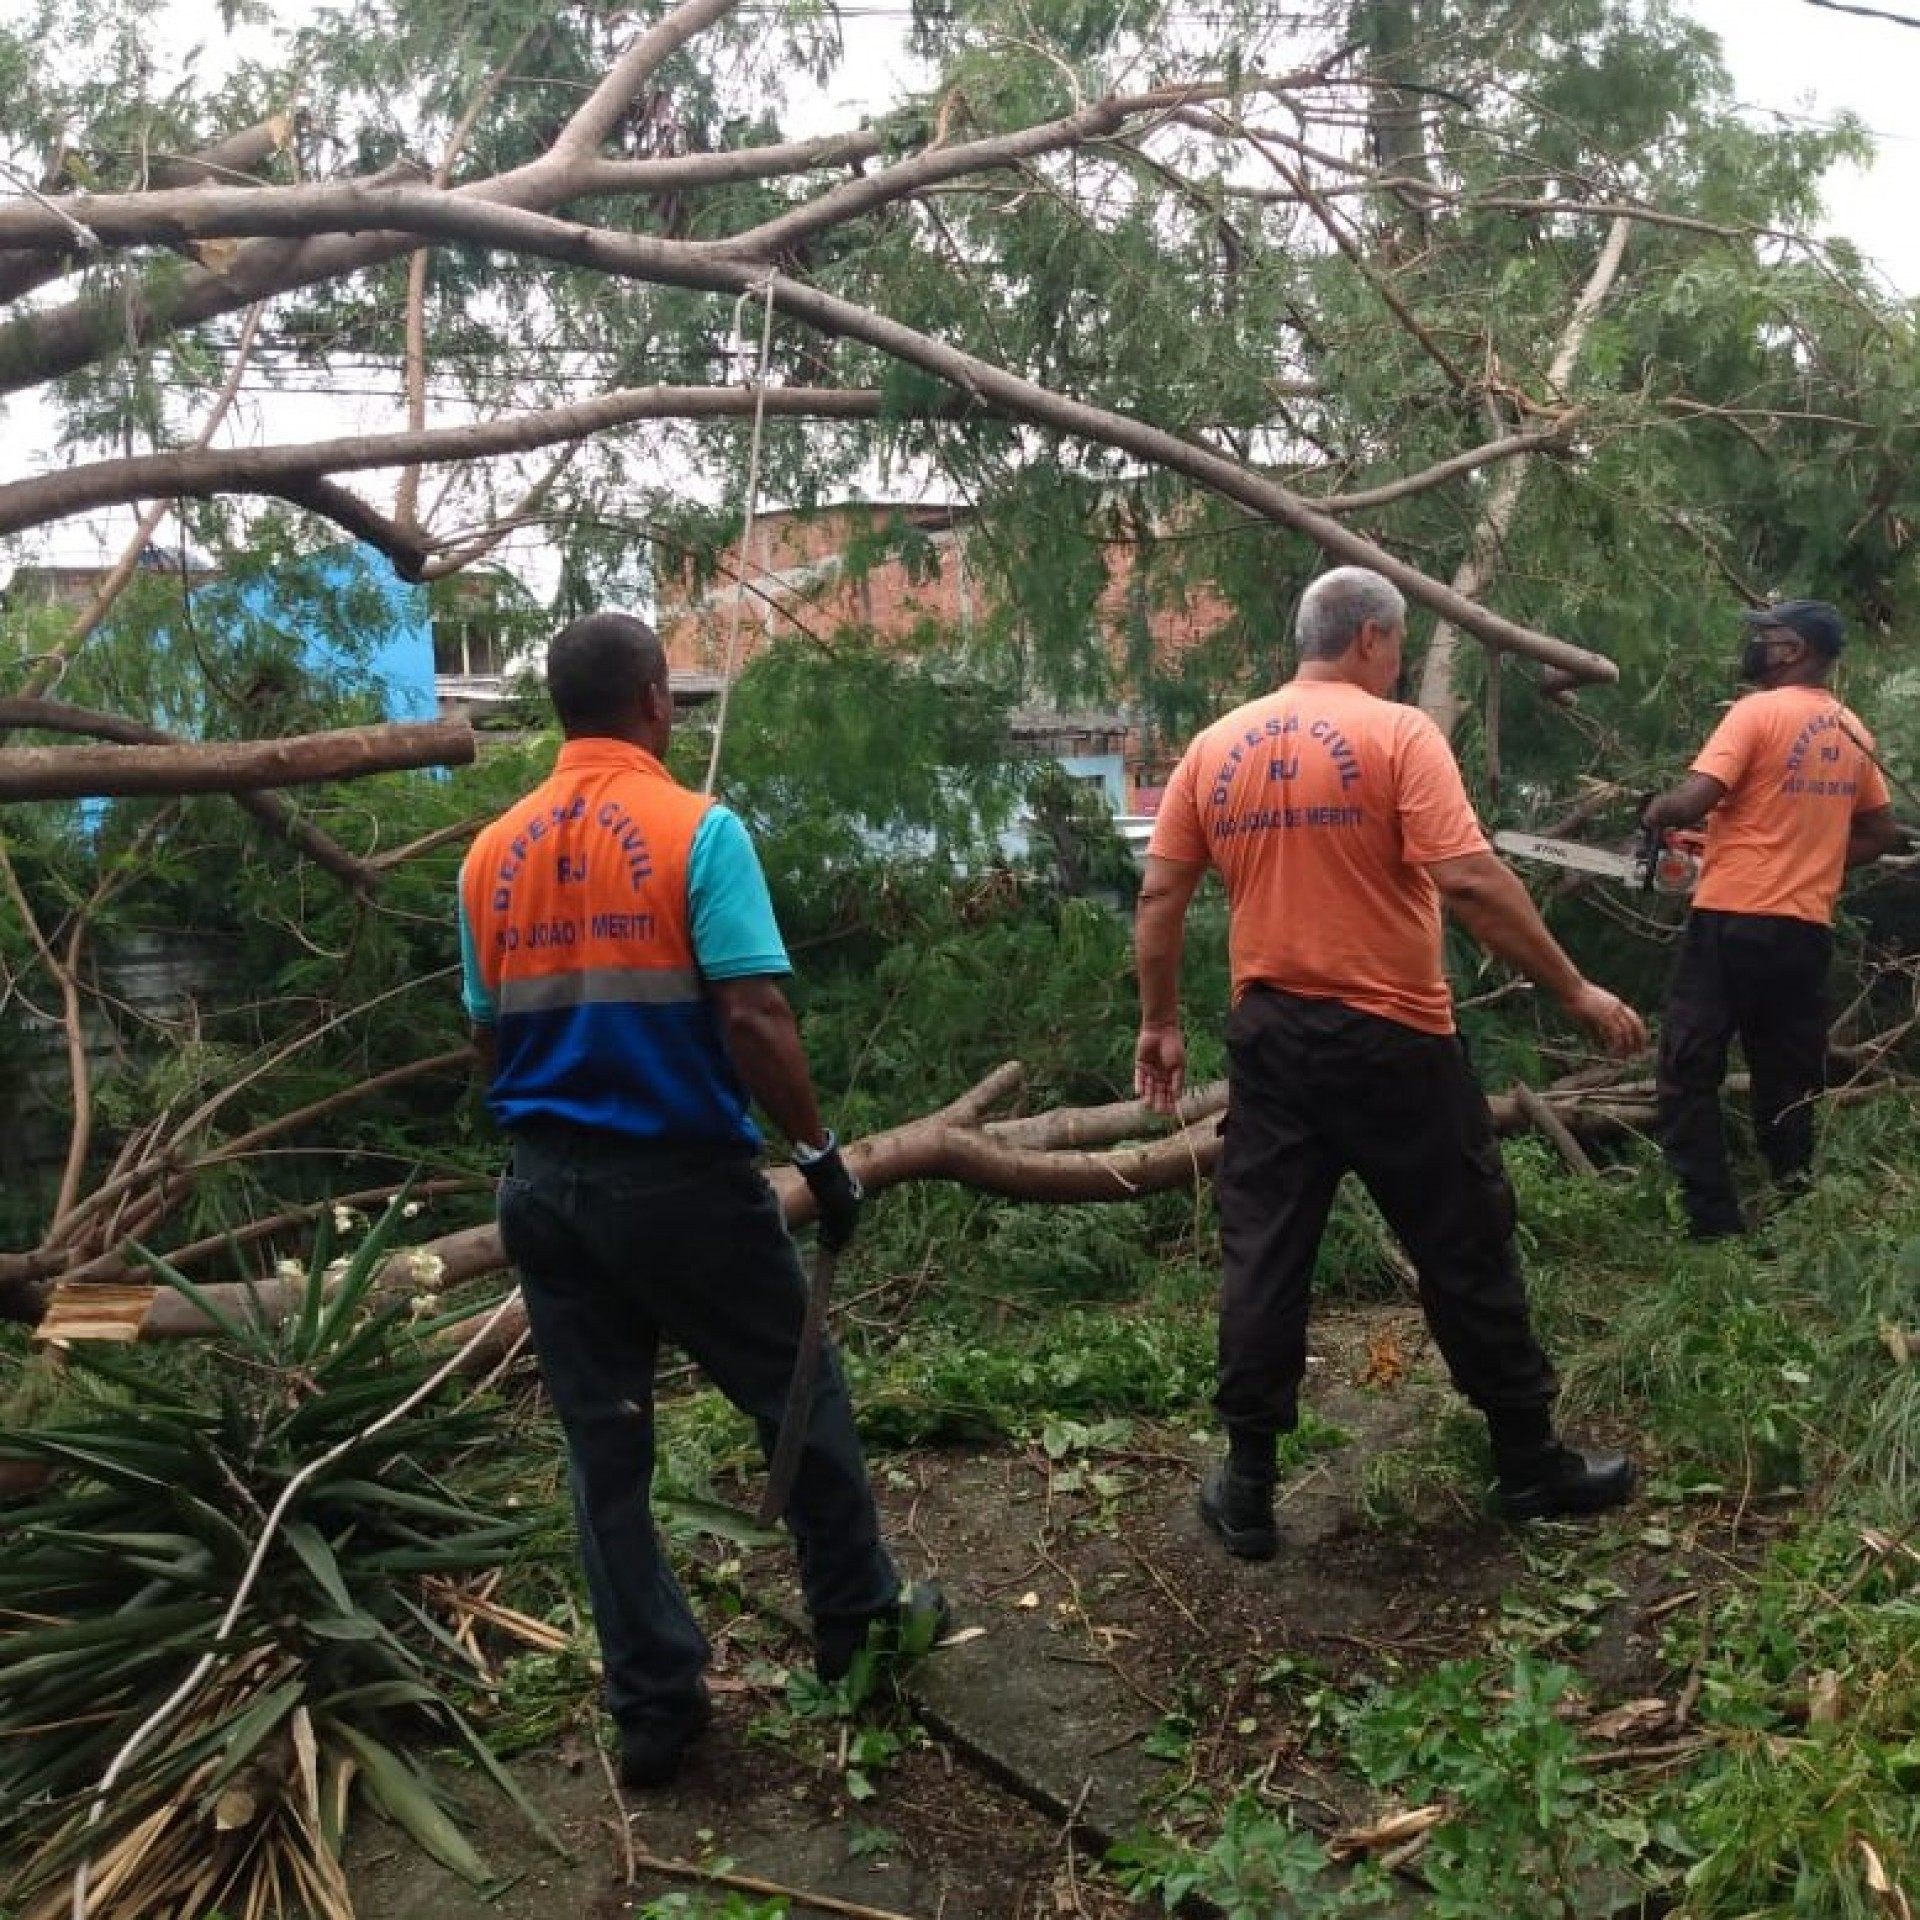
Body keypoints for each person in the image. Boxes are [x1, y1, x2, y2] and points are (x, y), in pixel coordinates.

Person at [458, 612, 943, 1789]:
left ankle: (653, 1714)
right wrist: (819, 1156)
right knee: (798, 1395)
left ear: (561, 713)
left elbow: (486, 1037)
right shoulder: (698, 833)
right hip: (679, 1189)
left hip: (545, 1194)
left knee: (604, 1457)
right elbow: (754, 1014)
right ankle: (857, 1626)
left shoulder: (488, 856)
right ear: (656, 702)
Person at [1134, 566, 1648, 1558]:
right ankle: (1528, 1460)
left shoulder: (1214, 747)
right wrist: (1575, 990)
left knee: (1266, 1252)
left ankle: (1246, 1487)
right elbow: (1466, 877)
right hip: (1396, 1038)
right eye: (1398, 643)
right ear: (1371, 638)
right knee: (1464, 1239)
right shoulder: (1400, 734)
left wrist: (1160, 1022)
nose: (1399, 659)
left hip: (1271, 1040)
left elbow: (1160, 901)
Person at [1640, 599, 1902, 1240]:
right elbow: (1880, 830)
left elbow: (1699, 798)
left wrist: (1657, 809)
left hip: (1731, 921)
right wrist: (1812, 857)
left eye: (1769, 638)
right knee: (1787, 1077)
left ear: (1794, 650)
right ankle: (1793, 1211)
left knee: (1687, 1068)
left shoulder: (1755, 713)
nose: (1758, 648)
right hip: (1805, 929)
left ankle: (1712, 1223)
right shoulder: (1851, 730)